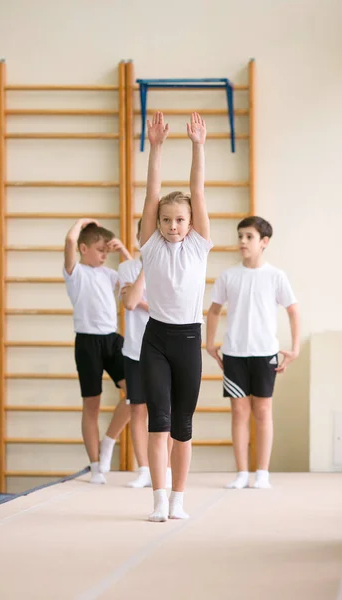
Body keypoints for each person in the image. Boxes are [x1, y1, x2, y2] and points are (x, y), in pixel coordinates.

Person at [139, 111, 212, 521]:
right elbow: (152, 195)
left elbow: (197, 193)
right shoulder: (149, 245)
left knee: (182, 424)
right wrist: (157, 146)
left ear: (190, 224)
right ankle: (158, 498)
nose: (171, 225)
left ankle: (179, 498)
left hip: (188, 341)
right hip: (156, 340)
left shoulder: (199, 246)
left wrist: (198, 146)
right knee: (158, 421)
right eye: (165, 220)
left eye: (178, 220)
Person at [206, 216, 300, 490]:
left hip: (264, 353)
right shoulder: (228, 275)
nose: (243, 242)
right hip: (234, 353)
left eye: (249, 237)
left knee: (263, 410)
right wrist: (210, 343)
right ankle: (241, 473)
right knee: (239, 412)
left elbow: (293, 311)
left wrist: (294, 349)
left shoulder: (276, 276)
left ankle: (262, 472)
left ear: (264, 242)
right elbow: (214, 310)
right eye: (240, 236)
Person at [63, 219, 132, 484]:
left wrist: (123, 250)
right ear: (84, 248)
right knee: (91, 405)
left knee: (135, 393)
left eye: (107, 251)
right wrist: (83, 223)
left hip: (112, 341)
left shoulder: (110, 275)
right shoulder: (76, 273)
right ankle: (94, 466)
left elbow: (136, 275)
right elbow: (69, 241)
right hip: (87, 343)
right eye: (100, 250)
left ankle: (109, 441)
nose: (105, 255)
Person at [118, 218, 173, 489]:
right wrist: (145, 268)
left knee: (166, 411)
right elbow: (129, 303)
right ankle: (143, 469)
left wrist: (143, 301)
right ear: (139, 236)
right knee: (137, 409)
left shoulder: (171, 264)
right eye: (144, 234)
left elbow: (171, 309)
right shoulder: (126, 267)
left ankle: (166, 468)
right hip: (135, 350)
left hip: (164, 350)